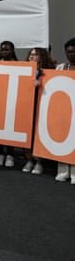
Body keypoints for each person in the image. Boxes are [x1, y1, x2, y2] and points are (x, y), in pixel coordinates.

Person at [21, 47, 56, 175]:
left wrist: (40, 83)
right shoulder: (25, 70)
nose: (31, 57)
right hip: (26, 106)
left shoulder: (48, 72)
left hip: (42, 107)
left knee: (38, 135)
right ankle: (29, 159)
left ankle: (39, 162)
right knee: (27, 135)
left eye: (35, 55)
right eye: (30, 54)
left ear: (42, 57)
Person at [0, 41, 19, 167]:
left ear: (13, 51)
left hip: (13, 101)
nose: (4, 51)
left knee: (11, 127)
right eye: (2, 49)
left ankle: (10, 154)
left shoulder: (20, 66)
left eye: (7, 49)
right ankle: (0, 153)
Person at [54, 38, 75, 184]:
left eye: (74, 52)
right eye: (68, 52)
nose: (71, 54)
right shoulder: (60, 68)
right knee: (62, 139)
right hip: (63, 110)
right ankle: (62, 171)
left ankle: (74, 173)